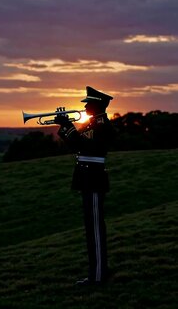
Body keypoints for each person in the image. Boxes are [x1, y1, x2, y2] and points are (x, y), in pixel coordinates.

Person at [54, 86, 113, 286]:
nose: (85, 105)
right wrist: (64, 127)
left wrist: (67, 126)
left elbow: (84, 146)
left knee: (95, 230)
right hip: (87, 178)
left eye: (88, 102)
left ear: (97, 104)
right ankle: (97, 273)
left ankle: (98, 277)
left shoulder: (101, 125)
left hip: (94, 179)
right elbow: (75, 145)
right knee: (91, 229)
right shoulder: (91, 124)